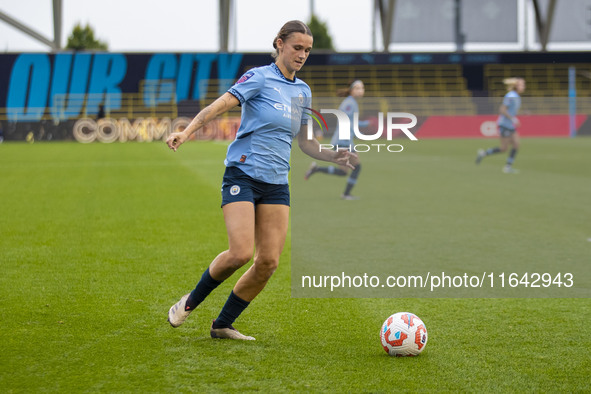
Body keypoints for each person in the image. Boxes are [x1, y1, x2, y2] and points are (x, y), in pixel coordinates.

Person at [165, 20, 355, 340]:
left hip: (277, 183)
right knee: (239, 253)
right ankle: (189, 302)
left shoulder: (303, 91)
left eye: (307, 50)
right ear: (279, 44)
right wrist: (187, 131)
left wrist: (332, 155)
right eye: (297, 47)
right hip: (243, 171)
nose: (302, 55)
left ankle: (223, 325)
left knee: (268, 261)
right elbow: (222, 104)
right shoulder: (259, 77)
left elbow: (306, 142)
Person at [304, 80, 367, 199]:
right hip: (344, 141)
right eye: (357, 88)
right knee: (357, 166)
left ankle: (316, 169)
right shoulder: (350, 103)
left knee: (344, 171)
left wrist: (362, 125)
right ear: (351, 90)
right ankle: (346, 194)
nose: (360, 90)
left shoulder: (351, 102)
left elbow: (350, 121)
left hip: (344, 140)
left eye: (362, 88)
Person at [476, 77, 526, 173]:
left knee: (516, 144)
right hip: (504, 124)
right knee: (504, 148)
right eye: (522, 84)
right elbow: (502, 109)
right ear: (516, 86)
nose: (524, 87)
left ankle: (508, 167)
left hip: (510, 125)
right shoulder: (511, 96)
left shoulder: (517, 97)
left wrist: (521, 113)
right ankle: (484, 153)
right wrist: (513, 119)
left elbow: (512, 111)